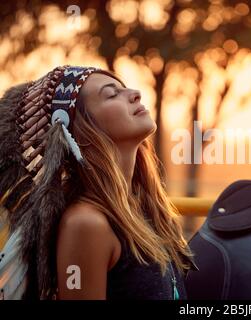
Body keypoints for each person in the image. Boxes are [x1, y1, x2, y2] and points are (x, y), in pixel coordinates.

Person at [0, 65, 198, 300]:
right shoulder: (85, 224)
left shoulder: (145, 213)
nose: (135, 93)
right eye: (112, 94)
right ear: (80, 128)